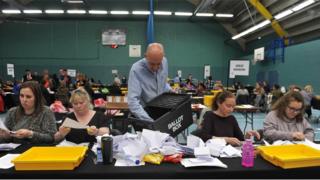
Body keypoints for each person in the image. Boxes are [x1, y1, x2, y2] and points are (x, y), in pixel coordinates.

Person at [128, 43, 171, 122]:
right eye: (152, 64)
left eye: (158, 64)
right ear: (145, 56)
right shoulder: (136, 69)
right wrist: (149, 121)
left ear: (163, 56)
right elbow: (132, 101)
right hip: (145, 112)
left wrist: (170, 90)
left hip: (161, 108)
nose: (155, 68)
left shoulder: (164, 62)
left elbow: (163, 83)